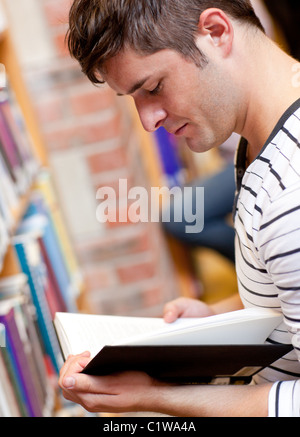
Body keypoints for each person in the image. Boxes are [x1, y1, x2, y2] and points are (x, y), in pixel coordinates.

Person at [59, 0, 300, 416]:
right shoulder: (265, 141)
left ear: (216, 32)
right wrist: (219, 321)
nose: (148, 120)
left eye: (152, 87)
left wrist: (156, 398)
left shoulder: (290, 195)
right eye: (132, 98)